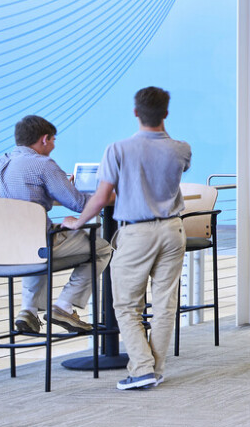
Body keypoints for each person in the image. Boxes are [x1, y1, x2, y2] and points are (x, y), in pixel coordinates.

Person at [70, 87, 192, 392]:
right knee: (165, 304)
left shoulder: (118, 149)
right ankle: (155, 369)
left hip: (137, 233)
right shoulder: (181, 149)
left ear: (135, 113)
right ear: (166, 113)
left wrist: (78, 221)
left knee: (126, 306)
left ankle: (141, 369)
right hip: (174, 230)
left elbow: (101, 198)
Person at [0, 114, 106, 336]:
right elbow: (78, 203)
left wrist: (50, 195)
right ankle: (64, 306)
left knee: (36, 240)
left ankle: (28, 311)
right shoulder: (43, 164)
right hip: (36, 246)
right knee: (102, 248)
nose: (54, 145)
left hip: (1, 249)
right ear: (44, 139)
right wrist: (104, 196)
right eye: (53, 140)